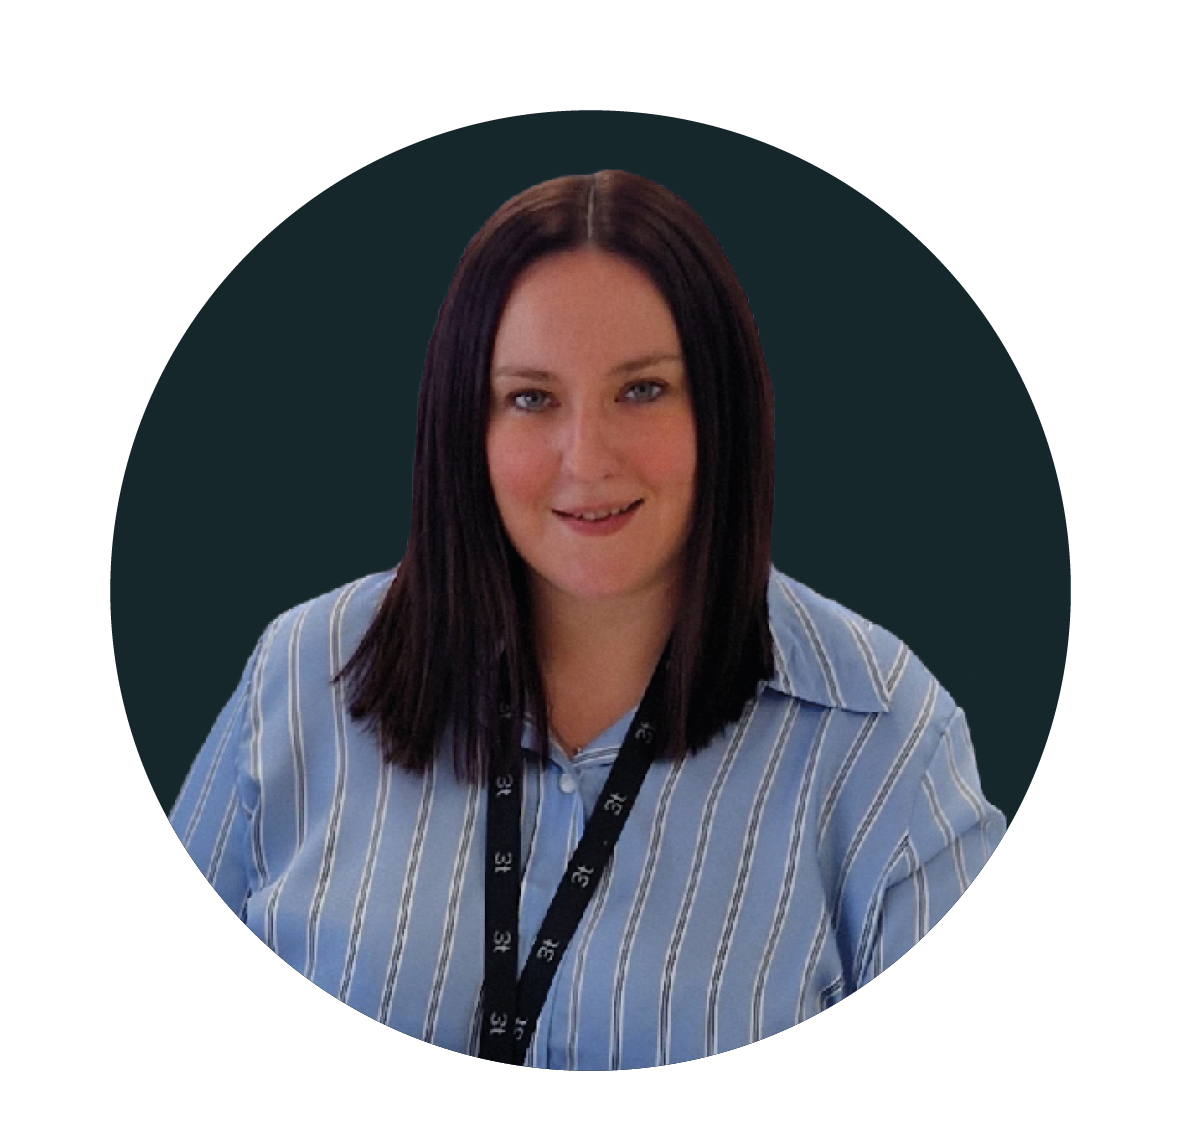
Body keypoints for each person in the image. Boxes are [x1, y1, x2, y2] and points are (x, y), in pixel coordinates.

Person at [171, 170, 1006, 1070]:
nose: (587, 458)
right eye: (531, 398)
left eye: (641, 390)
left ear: (720, 412)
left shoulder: (882, 741)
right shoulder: (302, 676)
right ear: (466, 426)